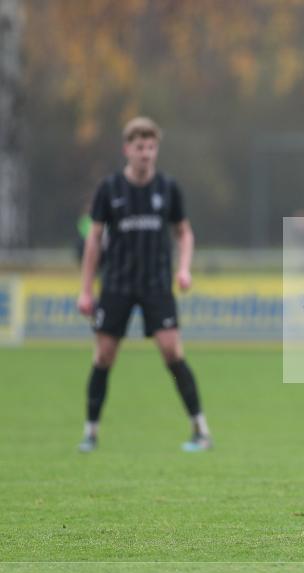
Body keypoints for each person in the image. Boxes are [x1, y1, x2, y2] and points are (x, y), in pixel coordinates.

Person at [76, 117, 211, 453]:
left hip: (156, 285)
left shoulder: (168, 188)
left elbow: (184, 233)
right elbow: (93, 241)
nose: (146, 154)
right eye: (140, 147)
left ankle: (201, 430)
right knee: (104, 355)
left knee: (171, 350)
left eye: (151, 147)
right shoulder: (109, 190)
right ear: (127, 149)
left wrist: (183, 269)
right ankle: (90, 432)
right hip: (117, 284)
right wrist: (85, 289)